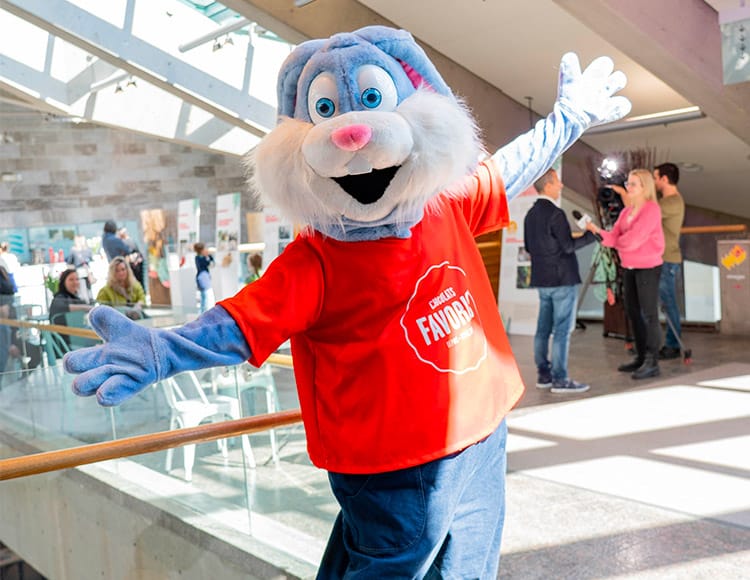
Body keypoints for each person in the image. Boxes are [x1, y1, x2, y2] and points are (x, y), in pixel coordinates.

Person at [67, 27, 631, 578]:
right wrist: (161, 350)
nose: (354, 134)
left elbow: (507, 170)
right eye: (327, 112)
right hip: (392, 461)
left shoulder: (444, 204)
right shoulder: (317, 260)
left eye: (370, 101)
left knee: (469, 559)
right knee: (393, 561)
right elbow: (239, 322)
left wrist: (568, 120)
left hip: (483, 430)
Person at [586, 168, 664, 379]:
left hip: (648, 267)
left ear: (644, 188)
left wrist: (617, 242)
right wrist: (597, 231)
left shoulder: (651, 210)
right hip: (629, 267)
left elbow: (632, 241)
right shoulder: (625, 213)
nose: (628, 187)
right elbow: (613, 238)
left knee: (649, 314)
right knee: (633, 312)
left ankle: (652, 361)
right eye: (628, 183)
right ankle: (640, 357)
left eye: (633, 184)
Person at [524, 168, 597, 393]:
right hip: (562, 280)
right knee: (562, 331)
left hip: (542, 280)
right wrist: (591, 235)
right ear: (547, 185)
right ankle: (560, 379)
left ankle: (544, 375)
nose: (561, 186)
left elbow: (528, 247)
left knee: (543, 329)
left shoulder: (530, 215)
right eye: (557, 182)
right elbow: (567, 246)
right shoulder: (556, 214)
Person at [653, 162, 685, 359]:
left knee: (668, 303)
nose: (654, 182)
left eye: (655, 178)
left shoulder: (671, 202)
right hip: (663, 259)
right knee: (666, 303)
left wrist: (626, 195)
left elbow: (647, 212)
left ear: (664, 179)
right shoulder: (666, 201)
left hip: (667, 259)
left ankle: (673, 345)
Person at [49, 269, 93, 345]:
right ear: (63, 282)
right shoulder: (59, 297)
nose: (75, 282)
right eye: (71, 280)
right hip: (65, 342)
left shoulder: (76, 298)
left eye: (77, 279)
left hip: (78, 337)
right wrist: (85, 307)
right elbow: (60, 307)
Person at [66, 235, 95, 300]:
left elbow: (91, 259)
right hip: (79, 273)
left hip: (87, 273)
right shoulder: (73, 250)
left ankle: (89, 301)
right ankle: (85, 301)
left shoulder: (87, 250)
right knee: (82, 289)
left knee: (88, 289)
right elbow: (69, 262)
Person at [193, 242, 215, 313]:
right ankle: (203, 312)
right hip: (202, 278)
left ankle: (203, 312)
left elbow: (211, 262)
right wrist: (206, 256)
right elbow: (207, 263)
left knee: (204, 296)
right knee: (205, 296)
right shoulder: (198, 258)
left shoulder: (200, 257)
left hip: (204, 277)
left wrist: (209, 256)